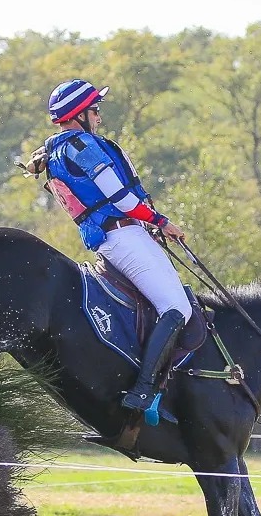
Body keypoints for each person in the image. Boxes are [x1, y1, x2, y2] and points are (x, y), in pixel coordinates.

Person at [27, 79, 192, 419]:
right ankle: (144, 392)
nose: (99, 117)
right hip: (123, 236)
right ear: (79, 115)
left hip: (117, 237)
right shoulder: (84, 147)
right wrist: (161, 222)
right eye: (95, 110)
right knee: (178, 307)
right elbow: (119, 197)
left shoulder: (57, 147)